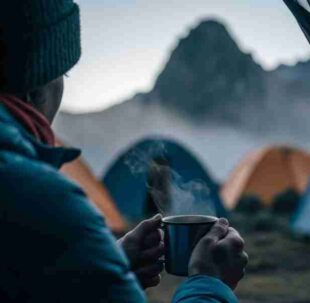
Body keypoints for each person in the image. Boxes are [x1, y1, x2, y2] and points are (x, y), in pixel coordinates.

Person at [0, 1, 248, 302]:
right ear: (36, 85)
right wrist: (210, 284)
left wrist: (99, 269)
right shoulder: (41, 202)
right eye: (63, 75)